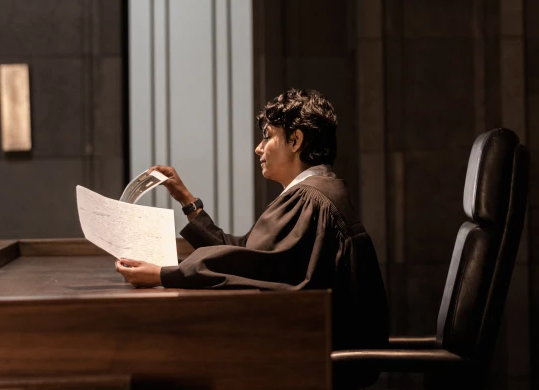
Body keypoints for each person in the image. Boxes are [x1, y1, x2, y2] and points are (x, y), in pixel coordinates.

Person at [116, 89, 388, 385]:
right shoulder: (317, 191)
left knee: (164, 368)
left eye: (268, 136)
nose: (259, 148)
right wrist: (187, 200)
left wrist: (164, 275)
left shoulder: (309, 200)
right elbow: (249, 258)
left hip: (307, 358)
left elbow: (250, 267)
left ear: (295, 141)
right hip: (307, 346)